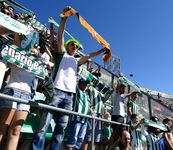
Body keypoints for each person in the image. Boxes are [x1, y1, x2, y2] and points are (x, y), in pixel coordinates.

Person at [31, 6, 108, 150]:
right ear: (67, 46)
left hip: (69, 96)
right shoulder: (61, 54)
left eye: (77, 46)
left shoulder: (77, 61)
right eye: (73, 44)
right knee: (44, 125)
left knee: (61, 129)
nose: (75, 47)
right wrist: (64, 19)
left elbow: (89, 56)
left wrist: (102, 50)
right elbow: (60, 35)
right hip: (57, 92)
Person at [0, 19, 38, 149]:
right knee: (2, 128)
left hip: (27, 95)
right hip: (12, 89)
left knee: (16, 131)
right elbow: (17, 39)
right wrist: (22, 26)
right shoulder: (17, 49)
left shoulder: (38, 59)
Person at [108, 78, 139, 148]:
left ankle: (113, 147)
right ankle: (109, 147)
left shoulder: (122, 95)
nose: (123, 88)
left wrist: (133, 92)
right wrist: (120, 81)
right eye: (122, 87)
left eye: (124, 87)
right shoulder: (116, 93)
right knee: (116, 133)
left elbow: (128, 94)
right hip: (116, 116)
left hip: (121, 117)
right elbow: (118, 88)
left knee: (119, 134)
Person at [82, 84, 109, 150]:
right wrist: (90, 109)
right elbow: (86, 97)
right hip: (93, 114)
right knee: (88, 138)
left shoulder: (101, 91)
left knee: (96, 140)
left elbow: (102, 102)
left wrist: (105, 111)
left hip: (100, 116)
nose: (98, 77)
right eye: (97, 75)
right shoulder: (90, 86)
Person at [66, 78, 91, 150]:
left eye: (86, 84)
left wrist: (91, 111)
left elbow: (89, 105)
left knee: (80, 139)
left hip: (85, 120)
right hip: (76, 118)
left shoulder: (86, 94)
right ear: (79, 84)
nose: (85, 85)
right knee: (73, 138)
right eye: (83, 83)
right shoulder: (76, 90)